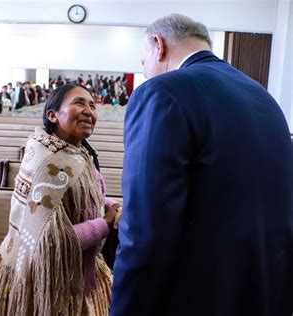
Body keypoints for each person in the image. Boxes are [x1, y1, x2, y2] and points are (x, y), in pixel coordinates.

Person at [111, 14, 293, 316]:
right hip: (264, 292)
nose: (146, 74)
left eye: (143, 64)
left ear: (158, 46)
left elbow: (144, 232)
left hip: (195, 297)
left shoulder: (161, 92)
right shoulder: (263, 97)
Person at [0, 84, 122, 315]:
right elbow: (52, 242)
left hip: (78, 270)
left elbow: (85, 199)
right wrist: (105, 224)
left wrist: (109, 205)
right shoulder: (49, 163)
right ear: (52, 114)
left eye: (92, 105)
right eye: (79, 103)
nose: (89, 111)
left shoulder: (77, 152)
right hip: (46, 279)